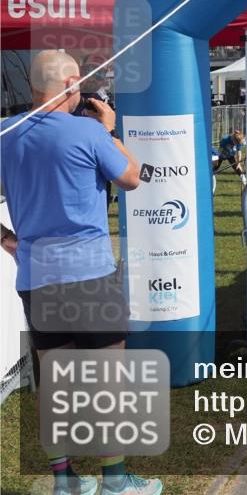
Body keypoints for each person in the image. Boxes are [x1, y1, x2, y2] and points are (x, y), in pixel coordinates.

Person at [1, 51, 159, 495]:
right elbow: (132, 176)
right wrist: (110, 130)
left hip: (36, 277)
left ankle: (65, 480)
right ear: (72, 84)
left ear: (34, 88)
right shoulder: (89, 131)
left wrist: (9, 241)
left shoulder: (4, 133)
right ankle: (115, 481)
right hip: (89, 274)